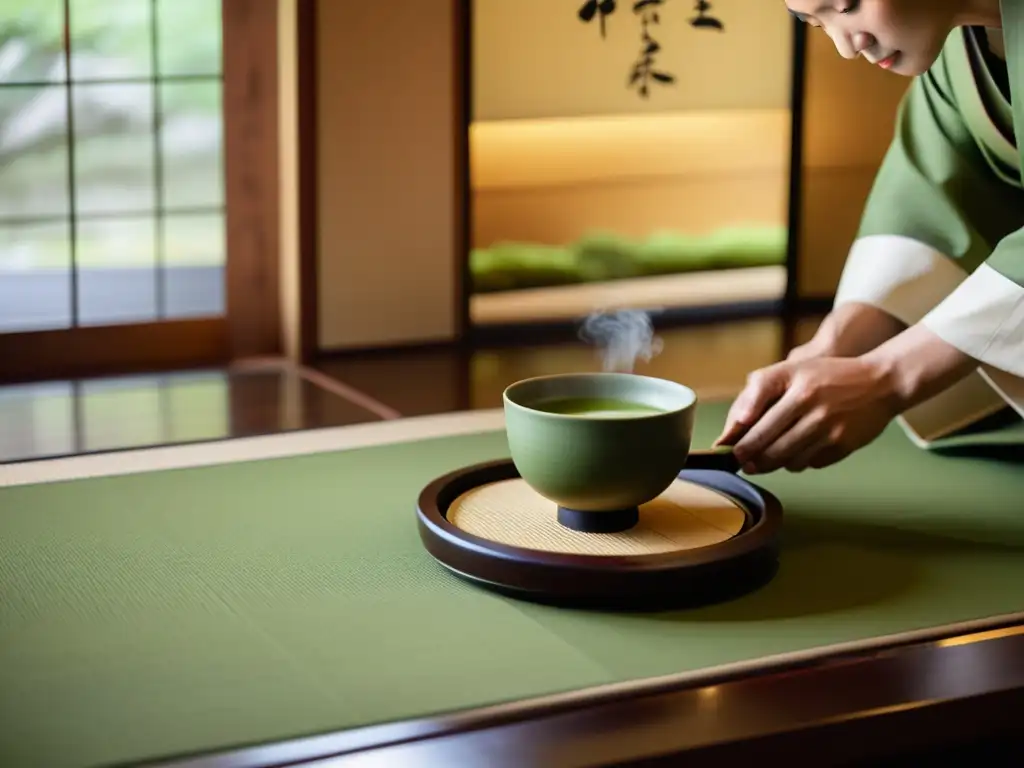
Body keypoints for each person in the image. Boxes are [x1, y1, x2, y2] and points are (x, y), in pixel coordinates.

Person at [715, 0, 1024, 474]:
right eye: (817, 23)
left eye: (848, 6)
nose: (846, 45)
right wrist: (835, 344)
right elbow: (930, 200)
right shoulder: (960, 49)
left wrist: (888, 377)